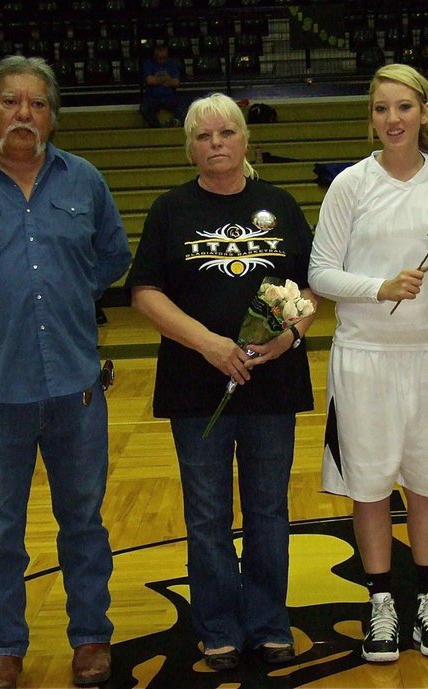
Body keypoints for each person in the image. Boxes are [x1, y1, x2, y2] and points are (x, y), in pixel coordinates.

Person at [0, 56, 132, 688]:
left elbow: (114, 253)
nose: (24, 115)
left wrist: (67, 290)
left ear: (53, 119)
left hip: (78, 389)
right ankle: (4, 645)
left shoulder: (84, 180)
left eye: (37, 105)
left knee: (85, 524)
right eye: (11, 102)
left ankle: (91, 637)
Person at [308, 63, 428, 663]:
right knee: (368, 489)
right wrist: (379, 287)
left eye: (402, 107)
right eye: (380, 109)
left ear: (424, 112)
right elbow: (319, 272)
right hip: (364, 358)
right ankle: (381, 605)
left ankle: (427, 598)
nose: (391, 119)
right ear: (370, 117)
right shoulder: (351, 184)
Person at [127, 93, 316, 671]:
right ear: (190, 148)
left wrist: (289, 336)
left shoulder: (279, 205)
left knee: (267, 509)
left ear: (244, 141)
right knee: (207, 513)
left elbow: (310, 288)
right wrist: (207, 343)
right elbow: (144, 292)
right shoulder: (169, 210)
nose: (216, 144)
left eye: (226, 134)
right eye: (204, 137)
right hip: (194, 385)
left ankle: (268, 623)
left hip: (271, 385)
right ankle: (218, 629)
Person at [140, 43, 186, 128]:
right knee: (144, 108)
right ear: (155, 55)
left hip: (169, 97)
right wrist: (166, 78)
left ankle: (175, 121)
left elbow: (176, 82)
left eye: (164, 58)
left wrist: (157, 80)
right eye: (159, 58)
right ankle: (157, 126)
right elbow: (149, 81)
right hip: (153, 97)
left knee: (186, 103)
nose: (162, 61)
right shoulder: (149, 64)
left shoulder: (171, 64)